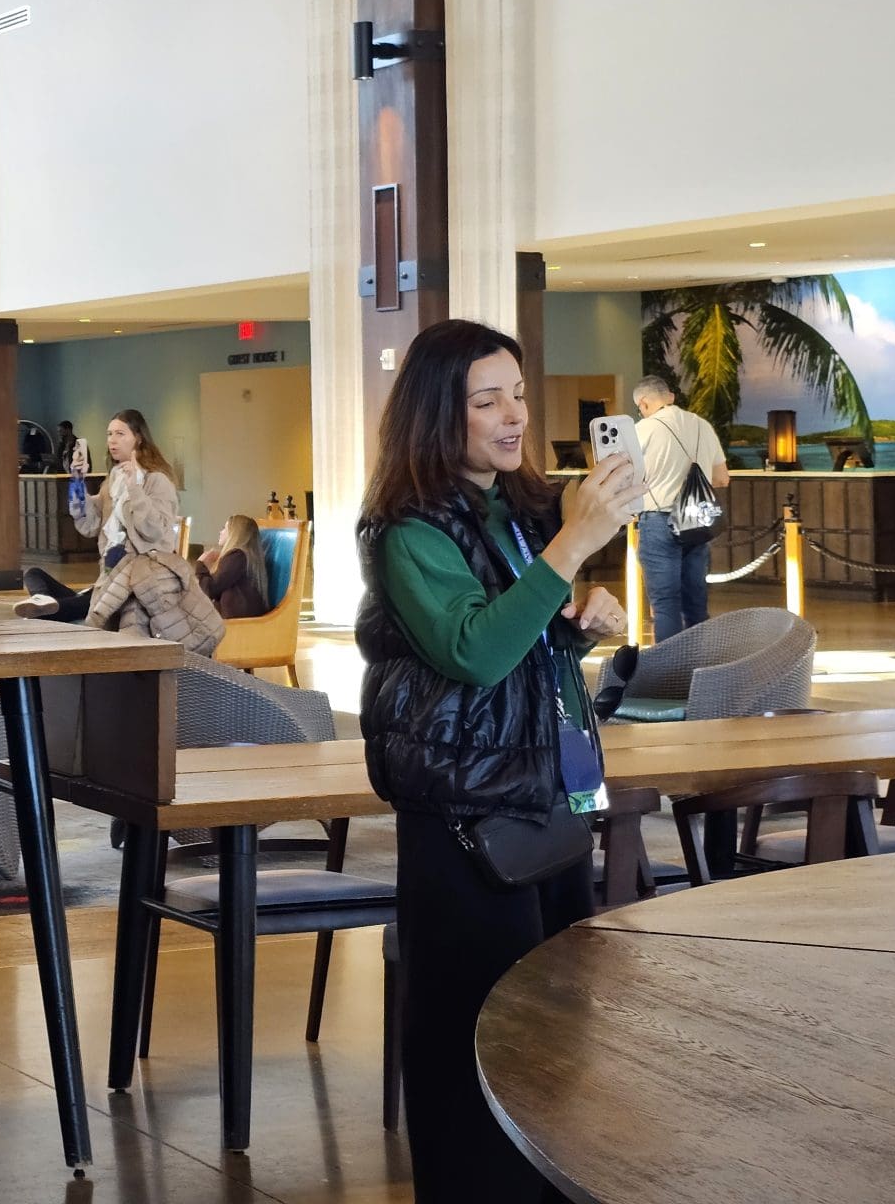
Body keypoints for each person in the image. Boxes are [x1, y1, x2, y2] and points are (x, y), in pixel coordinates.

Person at [356, 319, 640, 1204]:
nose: (514, 416)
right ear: (440, 413)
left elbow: (518, 638)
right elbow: (473, 651)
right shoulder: (407, 530)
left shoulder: (512, 508)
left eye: (518, 394)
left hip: (542, 799)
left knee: (549, 1040)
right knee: (473, 1039)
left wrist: (581, 620)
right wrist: (570, 548)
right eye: (488, 401)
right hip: (464, 818)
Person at [16, 409, 179, 622]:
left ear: (138, 438)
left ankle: (48, 609)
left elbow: (154, 530)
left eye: (120, 434)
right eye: (109, 434)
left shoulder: (156, 480)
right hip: (108, 576)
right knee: (33, 574)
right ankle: (45, 602)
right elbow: (90, 524)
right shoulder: (114, 479)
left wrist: (135, 488)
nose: (112, 440)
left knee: (80, 605)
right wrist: (77, 480)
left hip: (138, 580)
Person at [632, 375, 730, 643]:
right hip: (697, 520)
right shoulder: (702, 426)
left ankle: (669, 665)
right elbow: (722, 478)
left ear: (643, 403)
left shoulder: (643, 429)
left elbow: (624, 475)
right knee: (696, 602)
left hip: (658, 520)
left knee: (665, 603)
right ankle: (697, 659)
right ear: (671, 397)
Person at [194, 514, 271, 619]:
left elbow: (210, 589)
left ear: (234, 533)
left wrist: (201, 564)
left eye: (224, 528)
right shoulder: (242, 555)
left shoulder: (238, 555)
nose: (220, 532)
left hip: (238, 622)